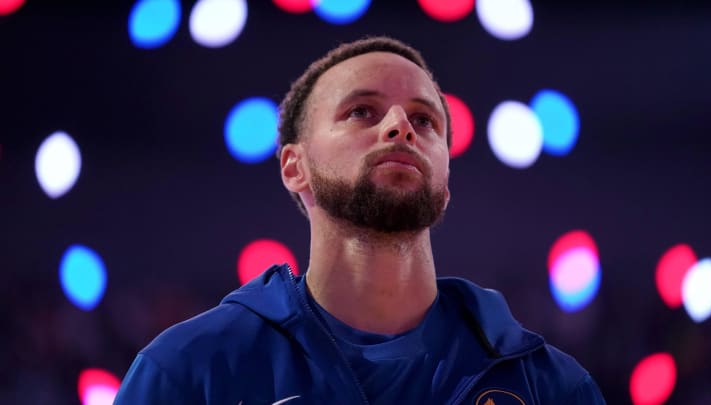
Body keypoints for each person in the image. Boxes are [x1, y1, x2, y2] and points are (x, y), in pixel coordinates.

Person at [114, 36, 606, 404]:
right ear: (294, 166)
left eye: (425, 121)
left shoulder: (552, 386)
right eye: (362, 111)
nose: (400, 127)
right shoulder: (188, 371)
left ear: (444, 180)